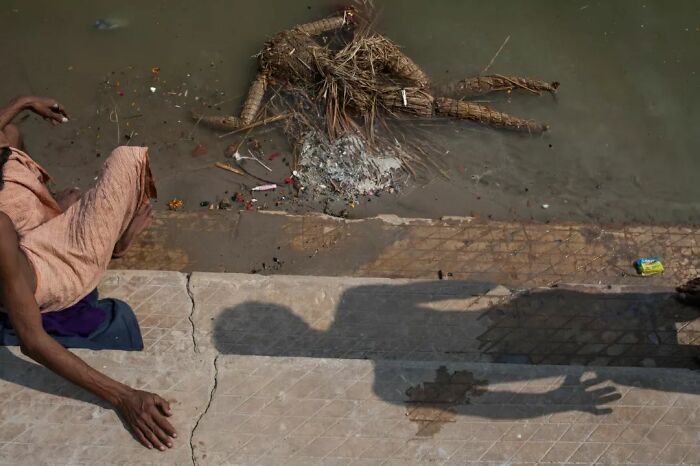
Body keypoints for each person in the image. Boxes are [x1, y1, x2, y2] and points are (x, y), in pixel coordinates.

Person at [0, 96, 177, 450]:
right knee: (127, 160)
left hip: (19, 244)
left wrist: (24, 102)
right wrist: (124, 397)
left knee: (10, 135)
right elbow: (33, 341)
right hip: (50, 271)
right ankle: (117, 246)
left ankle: (53, 214)